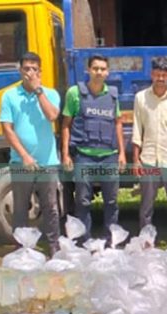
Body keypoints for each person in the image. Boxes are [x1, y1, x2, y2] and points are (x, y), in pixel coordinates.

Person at [0, 51, 62, 255]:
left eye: (34, 69)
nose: (30, 73)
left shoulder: (50, 94)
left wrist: (38, 91)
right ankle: (22, 248)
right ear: (20, 71)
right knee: (21, 207)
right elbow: (7, 129)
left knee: (50, 206)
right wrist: (25, 156)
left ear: (40, 72)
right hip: (21, 161)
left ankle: (54, 246)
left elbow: (52, 116)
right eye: (26, 69)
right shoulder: (9, 96)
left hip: (47, 161)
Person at [61, 54, 125, 241]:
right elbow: (66, 125)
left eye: (102, 69)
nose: (99, 72)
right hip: (84, 156)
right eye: (95, 68)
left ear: (107, 72)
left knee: (111, 201)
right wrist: (66, 154)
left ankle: (111, 240)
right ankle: (84, 241)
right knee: (82, 201)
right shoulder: (74, 93)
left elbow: (118, 123)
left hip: (109, 156)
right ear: (88, 70)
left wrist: (122, 153)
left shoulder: (112, 95)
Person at [132, 56, 167, 237]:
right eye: (157, 75)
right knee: (146, 204)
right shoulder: (141, 98)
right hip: (149, 159)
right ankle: (146, 240)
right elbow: (137, 130)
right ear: (152, 74)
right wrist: (136, 160)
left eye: (164, 75)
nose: (160, 78)